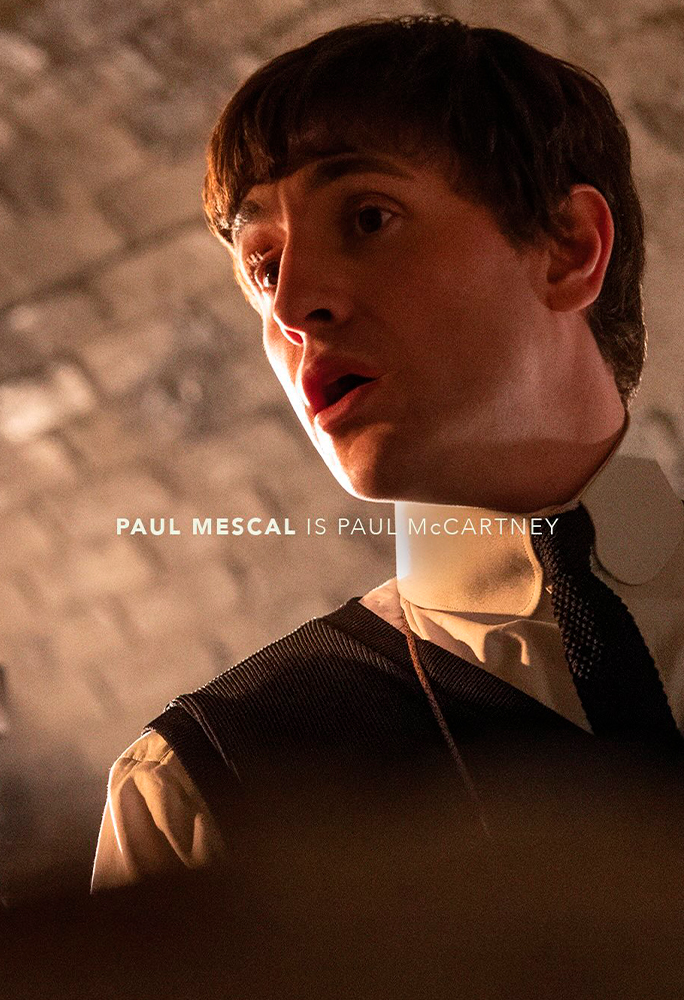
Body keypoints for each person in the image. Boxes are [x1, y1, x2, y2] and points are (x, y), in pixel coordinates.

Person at [92, 14, 684, 892]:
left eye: (368, 218)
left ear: (568, 247)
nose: (292, 304)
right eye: (263, 266)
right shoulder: (205, 791)